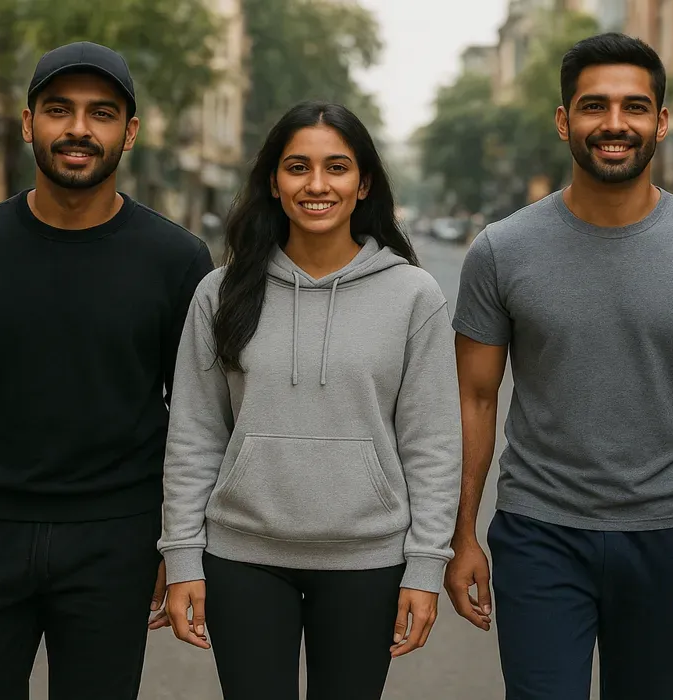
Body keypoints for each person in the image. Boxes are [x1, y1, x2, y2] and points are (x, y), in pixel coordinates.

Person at [447, 33, 673, 699]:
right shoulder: (500, 252)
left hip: (671, 537)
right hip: (538, 534)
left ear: (661, 122)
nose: (614, 124)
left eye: (634, 107)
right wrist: (462, 534)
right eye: (594, 106)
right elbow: (474, 399)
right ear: (565, 120)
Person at [0, 41, 214, 699]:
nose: (78, 129)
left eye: (101, 113)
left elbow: (196, 419)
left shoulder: (176, 260)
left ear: (128, 132)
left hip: (116, 538)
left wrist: (181, 544)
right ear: (29, 123)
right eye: (58, 109)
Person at [157, 100, 461, 700]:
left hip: (367, 561)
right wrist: (184, 557)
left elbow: (432, 444)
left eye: (337, 168)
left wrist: (426, 566)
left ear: (363, 181)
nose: (317, 185)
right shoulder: (221, 293)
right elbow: (194, 436)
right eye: (297, 167)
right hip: (243, 557)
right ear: (273, 181)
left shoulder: (412, 294)